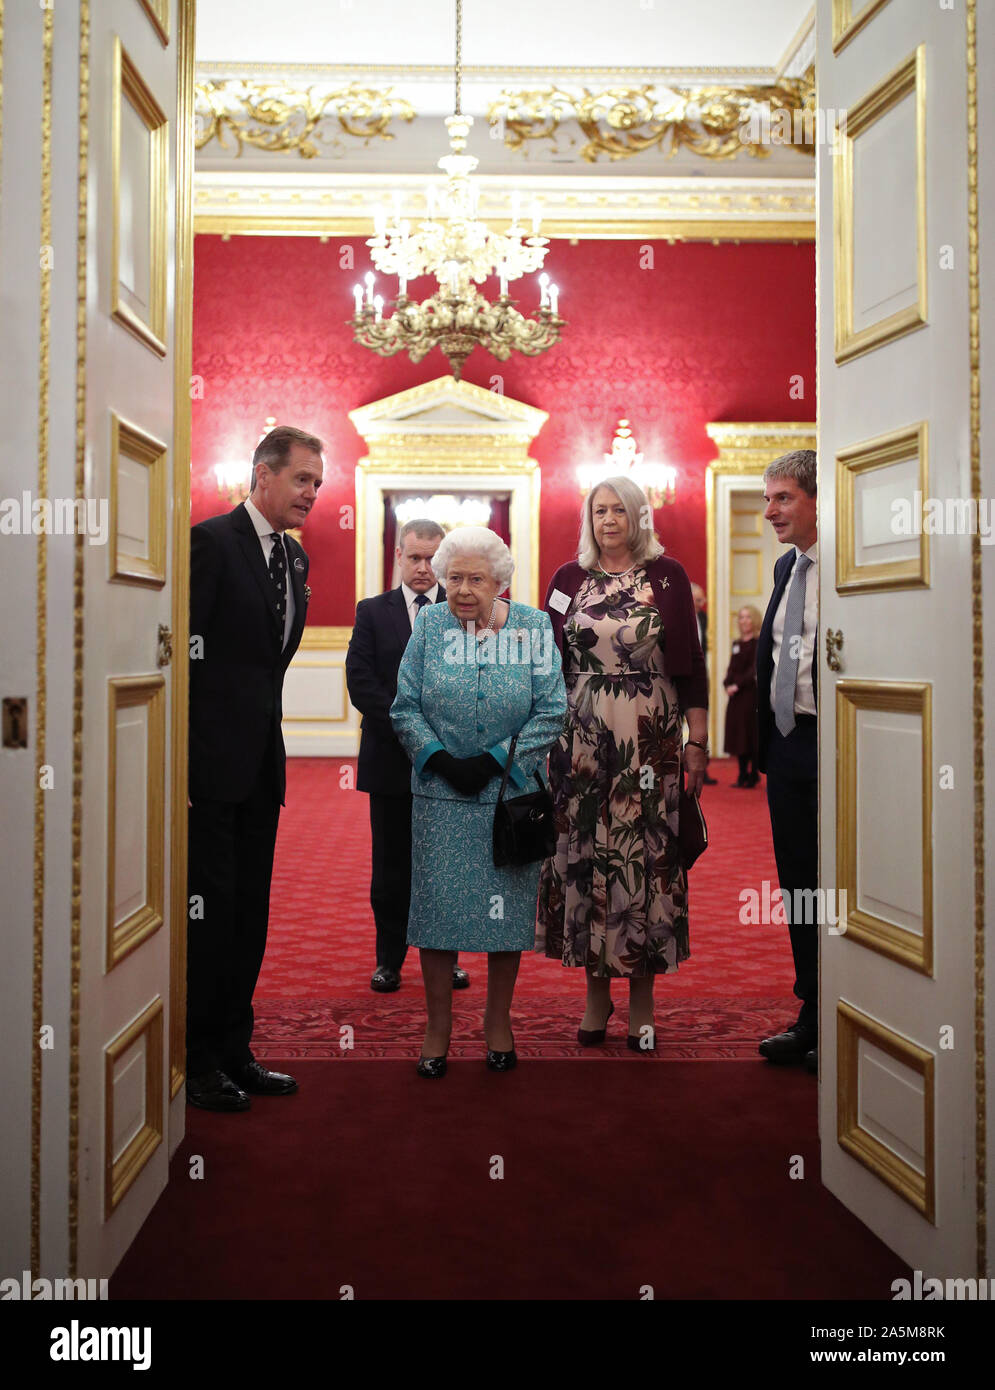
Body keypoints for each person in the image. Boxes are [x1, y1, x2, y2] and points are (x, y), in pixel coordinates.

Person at [536, 476, 708, 1052]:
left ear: (640, 515)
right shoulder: (566, 579)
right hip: (579, 735)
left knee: (643, 857)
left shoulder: (669, 577)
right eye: (599, 510)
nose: (609, 519)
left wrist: (697, 740)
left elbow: (692, 663)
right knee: (587, 855)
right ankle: (594, 994)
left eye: (620, 509)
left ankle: (641, 1001)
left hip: (649, 734)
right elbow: (542, 660)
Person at [390, 527, 566, 1078]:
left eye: (476, 579)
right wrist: (440, 760)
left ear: (500, 582)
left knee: (505, 916)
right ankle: (437, 1028)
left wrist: (493, 762)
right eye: (454, 578)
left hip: (509, 797)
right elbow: (404, 706)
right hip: (439, 795)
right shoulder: (430, 625)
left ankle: (498, 1021)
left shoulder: (534, 626)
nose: (463, 590)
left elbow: (551, 709)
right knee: (438, 915)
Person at [186, 425, 323, 1112]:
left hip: (262, 769)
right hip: (207, 772)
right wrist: (181, 766)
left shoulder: (295, 563)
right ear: (262, 475)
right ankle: (198, 1057)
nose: (311, 495)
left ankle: (236, 1050)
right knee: (208, 919)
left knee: (248, 916)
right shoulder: (210, 543)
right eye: (302, 481)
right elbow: (183, 662)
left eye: (318, 486)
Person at [345, 519, 470, 993]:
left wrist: (441, 739)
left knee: (447, 867)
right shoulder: (372, 612)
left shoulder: (464, 611)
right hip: (391, 759)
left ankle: (447, 961)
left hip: (451, 763)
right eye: (414, 557)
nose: (423, 568)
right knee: (392, 867)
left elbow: (475, 681)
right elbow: (361, 683)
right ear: (397, 556)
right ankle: (389, 961)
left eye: (431, 559)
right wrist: (412, 727)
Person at [756, 450, 819, 1076]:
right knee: (800, 885)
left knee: (841, 883)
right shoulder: (786, 565)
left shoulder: (851, 572)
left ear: (818, 499)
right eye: (768, 497)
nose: (769, 510)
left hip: (838, 742)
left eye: (782, 499)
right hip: (787, 746)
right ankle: (812, 1012)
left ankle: (852, 1016)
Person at [723, 604, 762, 787]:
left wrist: (736, 685)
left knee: (750, 734)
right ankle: (741, 774)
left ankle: (753, 773)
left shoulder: (758, 642)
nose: (743, 621)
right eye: (741, 617)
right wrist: (727, 683)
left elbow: (754, 669)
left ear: (754, 620)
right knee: (737, 734)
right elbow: (732, 667)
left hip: (749, 695)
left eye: (747, 617)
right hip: (735, 698)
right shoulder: (736, 644)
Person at [691, 583, 718, 785]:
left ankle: (703, 766)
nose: (704, 603)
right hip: (678, 678)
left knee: (701, 722)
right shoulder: (678, 615)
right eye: (699, 599)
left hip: (699, 676)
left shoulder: (704, 618)